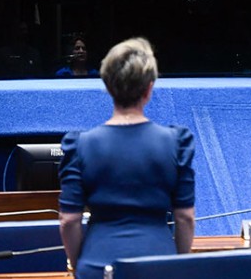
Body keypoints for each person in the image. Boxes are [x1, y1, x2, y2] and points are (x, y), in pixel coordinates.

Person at [59, 37, 195, 279]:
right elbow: (185, 217)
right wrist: (177, 265)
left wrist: (80, 265)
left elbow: (69, 220)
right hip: (161, 267)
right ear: (149, 89)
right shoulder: (177, 143)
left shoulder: (79, 145)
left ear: (108, 87)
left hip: (97, 267)